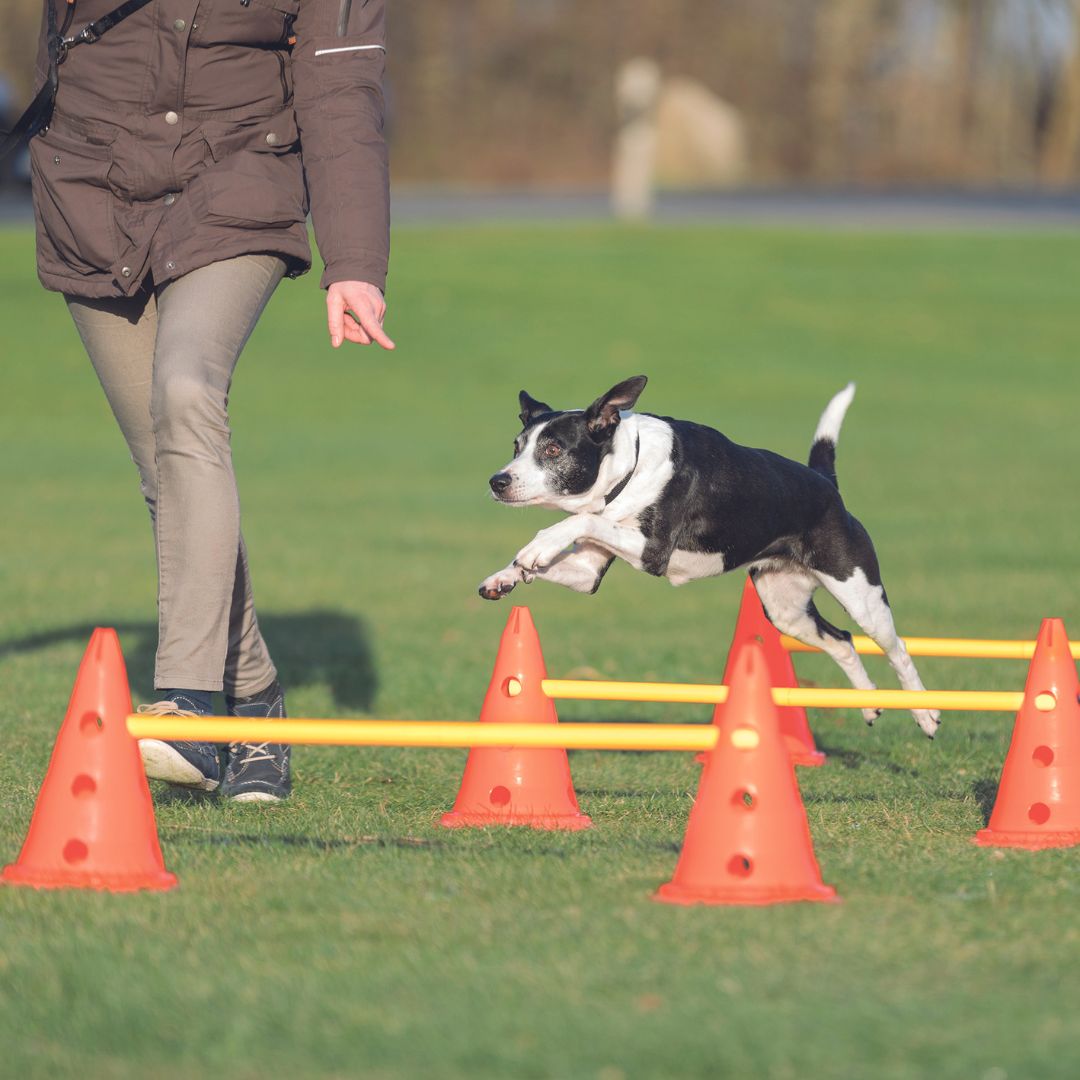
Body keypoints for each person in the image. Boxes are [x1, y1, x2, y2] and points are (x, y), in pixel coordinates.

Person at [26, 0, 393, 801]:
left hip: (237, 187)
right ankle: (256, 704)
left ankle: (188, 707)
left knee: (187, 389)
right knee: (169, 473)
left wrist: (355, 260)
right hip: (92, 195)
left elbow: (342, 90)